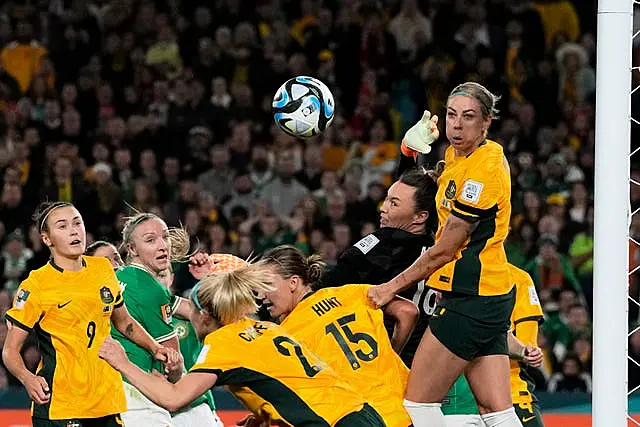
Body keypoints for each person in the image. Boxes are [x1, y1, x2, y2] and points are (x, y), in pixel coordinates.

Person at [368, 82, 521, 427]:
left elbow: (447, 249)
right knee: (496, 412)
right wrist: (410, 151)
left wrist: (390, 287)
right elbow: (427, 191)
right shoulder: (459, 157)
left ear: (486, 123)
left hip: (472, 299)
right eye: (451, 115)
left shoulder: (484, 170)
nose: (457, 125)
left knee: (417, 407)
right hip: (488, 296)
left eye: (468, 117)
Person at [98, 262, 387, 427]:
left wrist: (121, 361)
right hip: (364, 414)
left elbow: (174, 397)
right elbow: (283, 380)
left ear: (205, 316)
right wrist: (262, 415)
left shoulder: (225, 343)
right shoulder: (264, 327)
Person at [2, 201, 179, 427]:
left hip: (108, 400)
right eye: (63, 226)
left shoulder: (102, 269)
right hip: (62, 405)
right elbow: (10, 351)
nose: (74, 231)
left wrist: (156, 348)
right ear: (47, 239)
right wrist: (28, 379)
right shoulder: (37, 284)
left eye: (77, 223)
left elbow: (125, 323)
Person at [260, 245, 417, 427]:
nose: (262, 295)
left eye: (267, 285)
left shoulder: (286, 334)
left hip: (360, 420)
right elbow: (408, 311)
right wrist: (389, 355)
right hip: (405, 411)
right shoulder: (352, 293)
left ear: (293, 282)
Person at [320, 166, 439, 366]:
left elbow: (331, 281)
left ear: (420, 216)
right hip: (429, 370)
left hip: (381, 362)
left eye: (394, 203)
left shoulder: (386, 242)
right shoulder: (441, 252)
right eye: (386, 199)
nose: (383, 208)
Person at [442, 264, 545, 427]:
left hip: (510, 390)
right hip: (456, 396)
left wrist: (527, 351)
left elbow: (525, 345)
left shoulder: (519, 279)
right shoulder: (448, 273)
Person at [110, 212, 187, 426]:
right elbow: (172, 362)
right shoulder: (152, 291)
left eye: (165, 237)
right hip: (138, 396)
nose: (163, 246)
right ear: (132, 249)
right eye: (151, 240)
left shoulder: (116, 278)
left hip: (109, 390)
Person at [157, 261, 224, 427]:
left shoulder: (191, 315)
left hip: (195, 407)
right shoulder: (133, 317)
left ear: (171, 278)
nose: (154, 282)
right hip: (154, 408)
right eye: (151, 276)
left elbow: (222, 314)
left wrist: (207, 278)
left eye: (162, 275)